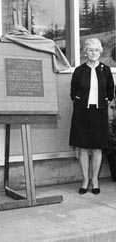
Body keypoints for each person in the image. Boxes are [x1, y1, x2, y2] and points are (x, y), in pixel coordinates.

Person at [69, 38, 114, 195]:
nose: (93, 53)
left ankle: (95, 180)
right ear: (85, 52)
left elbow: (110, 92)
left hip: (99, 112)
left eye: (96, 50)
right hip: (82, 113)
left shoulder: (106, 70)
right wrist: (80, 102)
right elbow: (73, 93)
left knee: (96, 148)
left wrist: (104, 102)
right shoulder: (79, 71)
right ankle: (84, 180)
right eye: (90, 50)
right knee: (82, 148)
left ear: (100, 52)